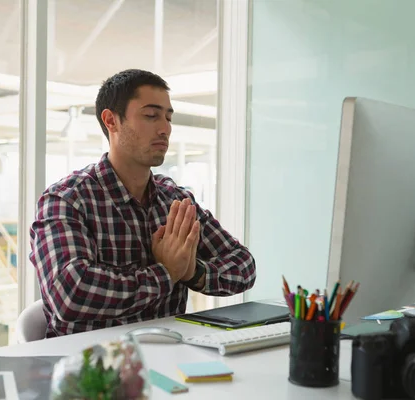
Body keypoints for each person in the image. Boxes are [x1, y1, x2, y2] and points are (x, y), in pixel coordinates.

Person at [29, 69, 256, 337]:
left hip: (171, 360)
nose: (165, 128)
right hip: (91, 368)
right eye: (151, 116)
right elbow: (70, 293)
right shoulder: (66, 200)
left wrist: (192, 271)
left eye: (168, 117)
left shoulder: (176, 200)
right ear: (111, 120)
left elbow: (243, 265)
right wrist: (167, 273)